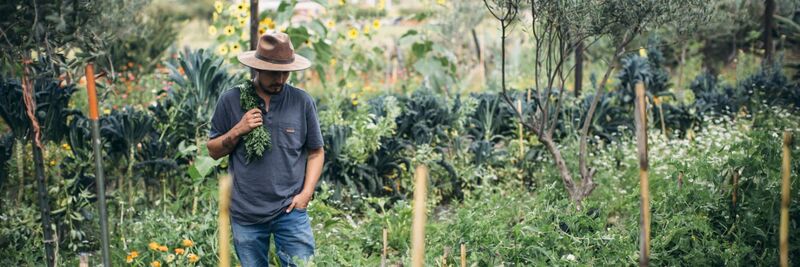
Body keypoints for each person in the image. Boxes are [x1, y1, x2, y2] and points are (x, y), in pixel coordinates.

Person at [206, 31, 324, 266]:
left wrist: (306, 194)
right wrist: (238, 129)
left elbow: (316, 152)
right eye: (273, 73)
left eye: (285, 73)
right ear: (257, 68)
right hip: (245, 212)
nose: (280, 80)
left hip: (291, 210)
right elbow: (213, 150)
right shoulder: (231, 100)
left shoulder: (302, 102)